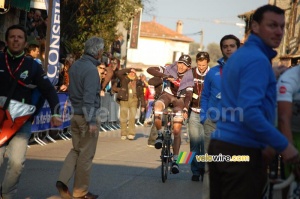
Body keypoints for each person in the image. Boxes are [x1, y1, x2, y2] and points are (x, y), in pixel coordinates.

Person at [207, 5, 300, 199]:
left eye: (282, 26)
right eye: (272, 25)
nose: (279, 32)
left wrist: (270, 75)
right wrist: (285, 146)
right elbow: (250, 112)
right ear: (255, 26)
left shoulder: (242, 56)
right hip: (240, 151)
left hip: (223, 146)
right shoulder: (257, 60)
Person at [0, 24, 62, 198]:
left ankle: (7, 194)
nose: (16, 40)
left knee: (17, 163)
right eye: (12, 37)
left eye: (20, 37)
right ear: (7, 40)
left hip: (21, 123)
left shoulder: (32, 66)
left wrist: (55, 113)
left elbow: (49, 90)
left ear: (25, 42)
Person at [56, 37, 103, 199]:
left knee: (76, 150)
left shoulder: (75, 66)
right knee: (86, 155)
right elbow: (89, 97)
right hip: (86, 116)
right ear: (98, 52)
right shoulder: (91, 70)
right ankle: (80, 191)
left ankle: (62, 179)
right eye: (101, 51)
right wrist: (91, 121)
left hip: (75, 114)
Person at [200, 34, 240, 198]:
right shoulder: (213, 73)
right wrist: (204, 117)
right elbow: (205, 96)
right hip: (213, 123)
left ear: (238, 48)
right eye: (225, 46)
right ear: (222, 49)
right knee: (211, 164)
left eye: (232, 46)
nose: (229, 48)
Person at [147, 55, 194, 174]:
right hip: (167, 95)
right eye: (180, 63)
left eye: (185, 65)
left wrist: (185, 109)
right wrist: (165, 76)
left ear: (189, 67)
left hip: (180, 99)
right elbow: (150, 70)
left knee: (177, 130)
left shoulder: (189, 77)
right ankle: (159, 135)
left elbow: (188, 95)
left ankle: (176, 161)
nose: (181, 66)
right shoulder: (170, 68)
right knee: (157, 107)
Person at [277, 65, 300, 199]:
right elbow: (283, 119)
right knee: (289, 170)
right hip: (290, 130)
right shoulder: (289, 78)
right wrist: (292, 159)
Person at [188, 51, 210, 182]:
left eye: (203, 64)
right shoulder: (190, 73)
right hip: (194, 113)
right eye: (199, 64)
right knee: (195, 144)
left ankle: (205, 169)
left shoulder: (212, 74)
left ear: (207, 62)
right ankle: (195, 171)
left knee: (205, 143)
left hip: (207, 113)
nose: (201, 67)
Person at [115, 68, 146, 140]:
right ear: (128, 73)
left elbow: (141, 94)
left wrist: (143, 105)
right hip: (124, 99)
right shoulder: (124, 78)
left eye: (133, 73)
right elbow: (118, 73)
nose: (132, 73)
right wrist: (128, 69)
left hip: (134, 100)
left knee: (132, 117)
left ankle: (131, 133)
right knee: (123, 117)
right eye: (130, 72)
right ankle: (123, 133)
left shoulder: (138, 82)